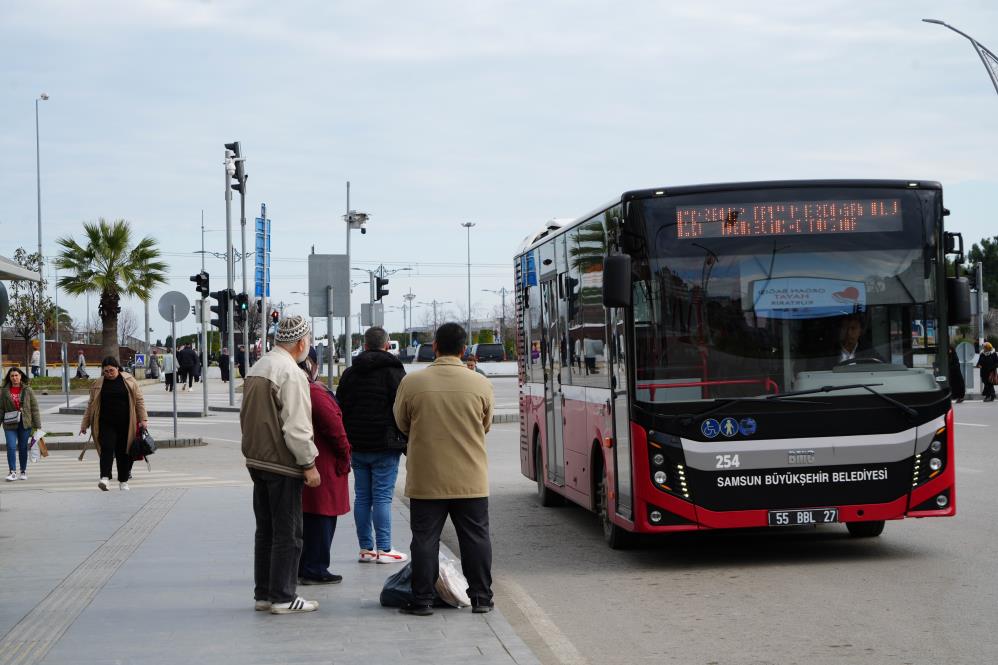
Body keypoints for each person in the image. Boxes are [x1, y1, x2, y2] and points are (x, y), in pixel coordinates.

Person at [393, 322, 495, 616]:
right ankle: (481, 598)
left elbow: (401, 422)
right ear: (464, 351)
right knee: (476, 538)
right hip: (470, 477)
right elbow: (485, 425)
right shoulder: (480, 383)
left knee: (424, 539)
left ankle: (422, 600)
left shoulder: (412, 383)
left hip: (427, 477)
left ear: (434, 347)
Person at [240, 315, 321, 615]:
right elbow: (297, 427)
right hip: (282, 464)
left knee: (266, 531)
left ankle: (264, 594)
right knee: (289, 533)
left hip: (256, 459)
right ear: (301, 343)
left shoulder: (258, 367)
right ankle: (284, 596)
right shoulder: (291, 373)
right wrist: (308, 463)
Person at [336, 326, 408, 564]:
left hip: (357, 443)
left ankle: (366, 549)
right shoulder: (395, 372)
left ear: (364, 345)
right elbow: (402, 409)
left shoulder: (350, 374)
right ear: (387, 345)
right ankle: (385, 549)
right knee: (383, 498)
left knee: (363, 497)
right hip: (385, 444)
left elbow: (340, 407)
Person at [298, 348, 352, 585]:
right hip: (324, 464)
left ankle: (306, 565)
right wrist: (345, 455)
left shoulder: (296, 390)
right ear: (312, 364)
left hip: (308, 462)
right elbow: (335, 429)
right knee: (322, 515)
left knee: (309, 516)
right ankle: (315, 567)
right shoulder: (315, 393)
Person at [79, 357, 149, 491]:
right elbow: (90, 406)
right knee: (107, 448)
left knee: (123, 452)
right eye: (105, 371)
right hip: (105, 424)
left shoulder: (129, 380)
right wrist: (84, 424)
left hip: (126, 424)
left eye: (111, 370)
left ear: (118, 368)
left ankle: (123, 481)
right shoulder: (98, 384)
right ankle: (105, 478)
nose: (109, 374)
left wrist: (143, 419)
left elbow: (139, 400)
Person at [3, 368, 41, 482]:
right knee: (11, 446)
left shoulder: (28, 390)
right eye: (12, 376)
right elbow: (0, 408)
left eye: (16, 375)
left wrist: (37, 425)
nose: (14, 378)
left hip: (25, 423)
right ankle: (12, 472)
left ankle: (23, 471)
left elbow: (34, 408)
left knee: (23, 448)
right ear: (9, 378)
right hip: (10, 423)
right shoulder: (4, 391)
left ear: (20, 376)